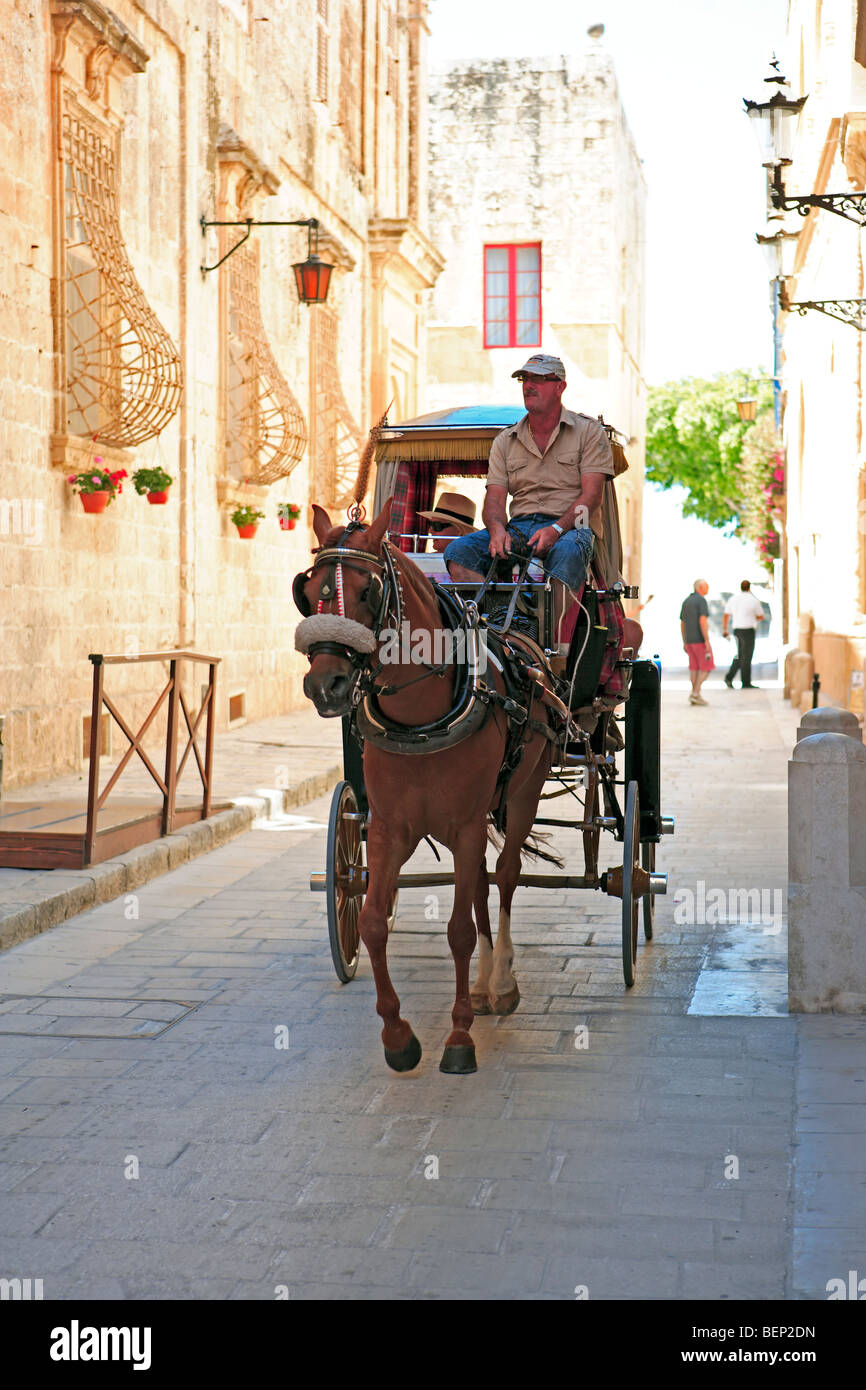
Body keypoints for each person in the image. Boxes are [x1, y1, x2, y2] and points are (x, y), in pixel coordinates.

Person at [444, 353, 614, 666]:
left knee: (569, 552)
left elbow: (591, 498)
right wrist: (496, 530)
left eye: (538, 379)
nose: (529, 386)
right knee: (459, 553)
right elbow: (494, 499)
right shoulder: (505, 441)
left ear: (560, 386)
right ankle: (498, 630)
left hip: (572, 526)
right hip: (520, 526)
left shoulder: (589, 432)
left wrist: (557, 529)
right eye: (525, 379)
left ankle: (554, 653)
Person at [722, 580, 766, 689]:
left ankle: (730, 678)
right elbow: (761, 616)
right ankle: (745, 682)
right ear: (749, 588)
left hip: (737, 630)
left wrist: (725, 629)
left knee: (740, 655)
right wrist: (753, 618)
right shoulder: (754, 600)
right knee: (746, 656)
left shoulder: (733, 599)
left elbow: (726, 615)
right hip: (749, 630)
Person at [680, 579, 714, 705]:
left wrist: (684, 641)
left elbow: (682, 623)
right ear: (700, 587)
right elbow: (702, 621)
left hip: (689, 641)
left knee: (694, 668)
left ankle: (694, 694)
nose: (708, 588)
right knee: (706, 667)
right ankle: (695, 693)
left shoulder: (686, 601)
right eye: (707, 586)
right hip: (699, 640)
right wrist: (707, 640)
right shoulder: (701, 600)